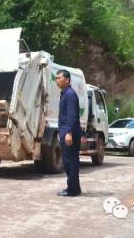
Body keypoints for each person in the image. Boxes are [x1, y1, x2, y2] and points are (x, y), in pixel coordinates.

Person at [55, 69, 82, 197]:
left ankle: (72, 190)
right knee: (71, 161)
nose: (57, 80)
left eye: (59, 78)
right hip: (65, 131)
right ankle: (75, 188)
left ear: (67, 80)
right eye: (56, 78)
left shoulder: (70, 94)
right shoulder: (65, 93)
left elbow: (72, 116)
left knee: (70, 162)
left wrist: (69, 133)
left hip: (69, 132)